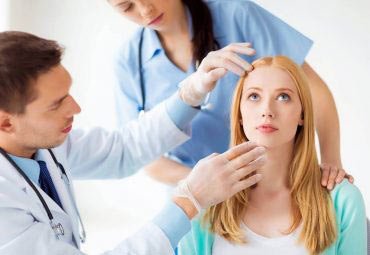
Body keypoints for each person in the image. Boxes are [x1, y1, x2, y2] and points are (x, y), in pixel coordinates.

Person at [0, 31, 265, 254]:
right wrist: (189, 201)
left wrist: (191, 92)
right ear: (6, 123)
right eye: (57, 104)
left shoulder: (44, 144)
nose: (76, 108)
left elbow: (123, 150)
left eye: (68, 94)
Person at [107, 0, 351, 189]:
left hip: (276, 180)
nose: (145, 10)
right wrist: (211, 183)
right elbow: (142, 154)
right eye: (127, 6)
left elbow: (313, 89)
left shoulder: (236, 14)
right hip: (202, 198)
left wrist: (331, 161)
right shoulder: (130, 62)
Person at [177, 56, 367, 255]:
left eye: (283, 97)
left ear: (302, 114)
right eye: (254, 96)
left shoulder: (343, 200)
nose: (267, 111)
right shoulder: (202, 200)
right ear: (240, 114)